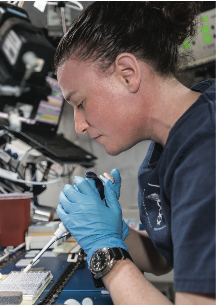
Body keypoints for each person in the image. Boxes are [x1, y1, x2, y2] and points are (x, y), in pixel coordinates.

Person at [54, 2, 216, 304]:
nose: (79, 125)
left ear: (127, 74)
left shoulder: (207, 150)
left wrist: (106, 252)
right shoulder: (168, 147)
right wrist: (117, 232)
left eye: (80, 103)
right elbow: (167, 256)